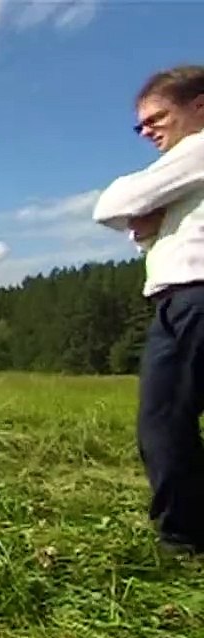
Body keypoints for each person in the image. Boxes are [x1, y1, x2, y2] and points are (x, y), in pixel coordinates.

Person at [92, 65, 204, 555]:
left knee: (164, 421)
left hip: (194, 296)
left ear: (199, 107)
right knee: (166, 419)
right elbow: (145, 233)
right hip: (178, 297)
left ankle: (183, 538)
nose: (147, 132)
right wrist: (147, 225)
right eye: (140, 126)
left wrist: (142, 217)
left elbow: (115, 201)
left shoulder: (198, 148)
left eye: (157, 118)